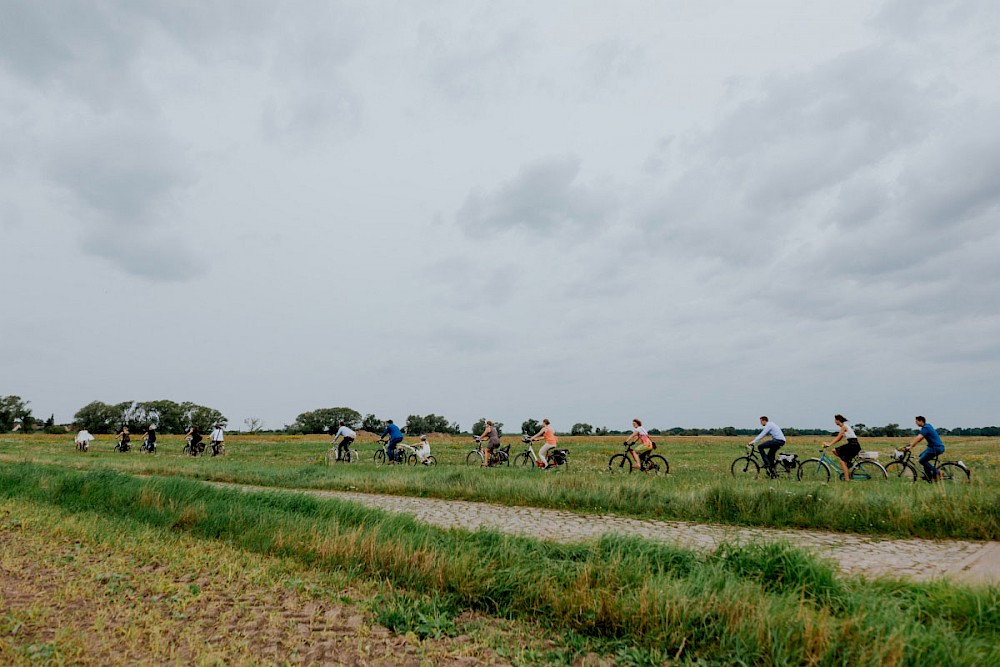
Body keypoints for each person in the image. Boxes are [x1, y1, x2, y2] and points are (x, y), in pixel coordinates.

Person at [905, 416, 945, 482]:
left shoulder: (926, 428)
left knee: (922, 461)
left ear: (921, 421)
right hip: (936, 447)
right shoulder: (928, 426)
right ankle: (929, 477)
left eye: (916, 421)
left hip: (935, 448)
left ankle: (937, 472)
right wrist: (911, 444)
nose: (916, 423)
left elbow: (919, 438)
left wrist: (911, 446)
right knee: (922, 457)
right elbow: (920, 439)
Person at [822, 415, 859, 481]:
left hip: (853, 445)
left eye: (835, 420)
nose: (834, 421)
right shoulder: (844, 427)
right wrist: (829, 443)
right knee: (834, 450)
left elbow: (838, 437)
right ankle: (847, 463)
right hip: (852, 445)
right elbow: (839, 439)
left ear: (838, 420)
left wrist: (829, 444)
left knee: (842, 462)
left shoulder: (844, 427)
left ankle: (847, 480)